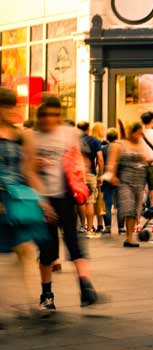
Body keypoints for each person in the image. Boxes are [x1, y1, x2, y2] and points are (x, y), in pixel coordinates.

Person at [31, 96, 103, 311]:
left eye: (54, 114)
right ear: (39, 116)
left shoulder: (69, 133)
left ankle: (85, 287)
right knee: (47, 249)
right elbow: (26, 168)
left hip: (64, 196)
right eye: (45, 115)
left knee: (74, 241)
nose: (50, 119)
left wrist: (78, 168)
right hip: (43, 198)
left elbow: (82, 159)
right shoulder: (33, 138)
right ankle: (46, 294)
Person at [0, 88, 53, 319]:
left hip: (16, 199)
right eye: (6, 106)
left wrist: (42, 200)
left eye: (13, 106)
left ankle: (27, 299)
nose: (12, 110)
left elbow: (28, 171)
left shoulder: (23, 135)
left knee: (24, 249)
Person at [105, 121, 153, 248]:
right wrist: (112, 174)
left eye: (141, 134)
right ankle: (128, 236)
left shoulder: (140, 144)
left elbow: (145, 158)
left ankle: (129, 238)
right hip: (125, 181)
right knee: (128, 207)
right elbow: (112, 162)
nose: (139, 136)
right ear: (131, 132)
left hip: (139, 181)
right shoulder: (119, 145)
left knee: (135, 210)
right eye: (138, 133)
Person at [77, 121, 104, 238]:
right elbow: (100, 159)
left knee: (77, 202)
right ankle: (89, 229)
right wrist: (100, 174)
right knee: (90, 201)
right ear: (88, 129)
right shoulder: (94, 141)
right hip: (90, 174)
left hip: (76, 174)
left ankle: (79, 226)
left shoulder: (73, 140)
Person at [89, 122, 108, 234]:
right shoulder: (100, 143)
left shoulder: (91, 142)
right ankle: (100, 223)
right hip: (98, 172)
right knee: (99, 198)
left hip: (94, 171)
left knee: (95, 199)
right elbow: (100, 160)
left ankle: (98, 223)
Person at [100, 129, 119, 234]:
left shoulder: (103, 149)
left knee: (106, 202)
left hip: (107, 176)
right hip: (118, 176)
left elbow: (100, 162)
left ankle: (107, 226)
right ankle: (121, 227)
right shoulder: (120, 148)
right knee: (120, 203)